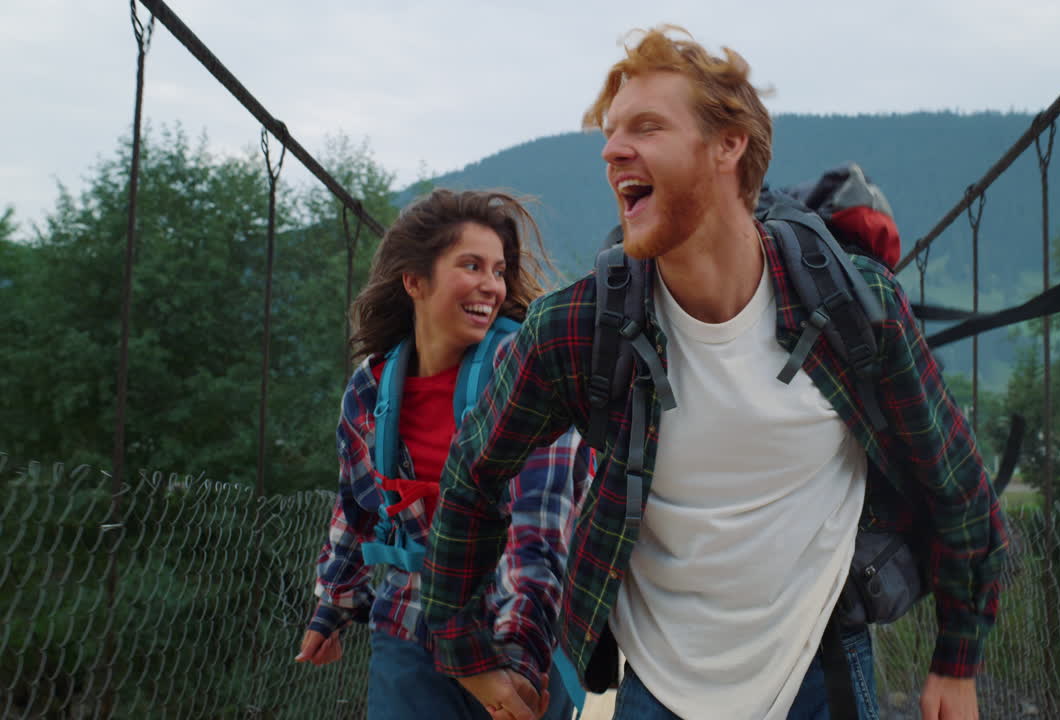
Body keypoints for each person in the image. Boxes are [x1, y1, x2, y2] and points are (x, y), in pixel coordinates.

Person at [421, 27, 1007, 720]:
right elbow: (472, 474)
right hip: (657, 691)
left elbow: (959, 487)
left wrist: (957, 660)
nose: (611, 151)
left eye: (646, 126)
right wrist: (467, 653)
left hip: (823, 677)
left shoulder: (857, 310)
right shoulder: (579, 331)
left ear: (728, 144)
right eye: (609, 134)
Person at [295, 189, 589, 720]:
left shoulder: (529, 373)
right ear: (415, 281)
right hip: (410, 623)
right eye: (471, 265)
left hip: (514, 625)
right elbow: (358, 505)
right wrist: (334, 602)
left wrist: (517, 664)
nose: (491, 286)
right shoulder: (373, 389)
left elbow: (539, 528)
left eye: (499, 270)